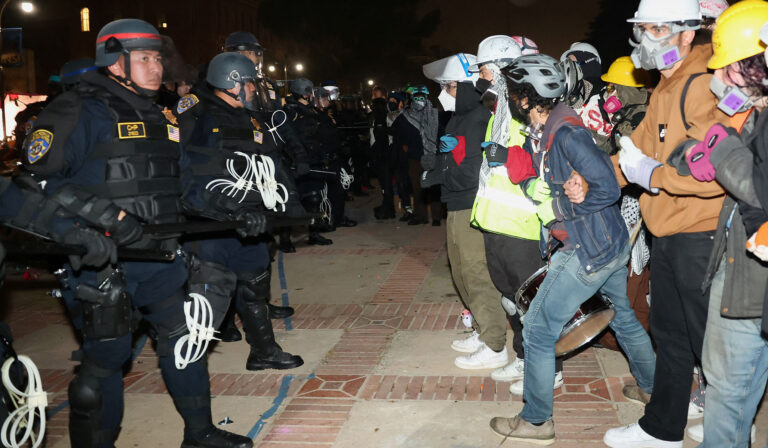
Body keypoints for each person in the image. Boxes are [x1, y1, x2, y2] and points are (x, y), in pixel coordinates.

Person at [20, 19, 255, 447]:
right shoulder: (78, 109)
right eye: (144, 58)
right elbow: (35, 184)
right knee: (105, 362)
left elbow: (183, 184)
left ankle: (199, 433)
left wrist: (233, 210)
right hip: (100, 265)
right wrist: (105, 221)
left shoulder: (160, 113)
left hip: (157, 259)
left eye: (158, 58)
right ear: (115, 61)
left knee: (185, 341)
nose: (156, 68)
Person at [488, 54, 656, 445]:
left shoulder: (567, 133)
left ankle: (536, 421)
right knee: (622, 316)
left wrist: (564, 205)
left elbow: (608, 188)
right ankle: (651, 388)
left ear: (527, 97)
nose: (511, 100)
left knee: (538, 329)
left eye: (514, 93)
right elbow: (550, 174)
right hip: (607, 243)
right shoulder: (549, 130)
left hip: (588, 249)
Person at [596, 1, 730, 446]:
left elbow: (715, 170)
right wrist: (592, 182)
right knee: (669, 332)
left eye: (655, 28)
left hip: (702, 231)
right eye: (643, 29)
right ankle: (663, 427)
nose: (644, 39)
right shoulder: (665, 86)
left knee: (715, 342)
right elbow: (634, 150)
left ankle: (730, 425)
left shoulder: (705, 83)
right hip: (669, 230)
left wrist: (652, 176)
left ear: (687, 33)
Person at [668, 3, 768, 445]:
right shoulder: (754, 112)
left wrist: (723, 149)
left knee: (727, 389)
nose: (719, 80)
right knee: (733, 384)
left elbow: (757, 186)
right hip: (742, 265)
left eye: (728, 70)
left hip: (752, 278)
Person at [174, 52, 303, 371]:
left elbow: (272, 165)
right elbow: (182, 171)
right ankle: (184, 366)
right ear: (232, 83)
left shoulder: (251, 119)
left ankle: (263, 351)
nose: (253, 90)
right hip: (212, 224)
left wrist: (294, 206)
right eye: (249, 84)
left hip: (251, 220)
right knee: (206, 307)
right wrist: (223, 209)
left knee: (254, 288)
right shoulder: (197, 113)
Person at [464, 34, 562, 390]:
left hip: (523, 224)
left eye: (487, 71)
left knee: (534, 303)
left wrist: (509, 158)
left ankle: (550, 369)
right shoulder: (500, 110)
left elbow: (542, 161)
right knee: (512, 300)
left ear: (503, 69)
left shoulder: (525, 108)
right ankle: (525, 359)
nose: (483, 78)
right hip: (497, 222)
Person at [422, 53, 509, 370]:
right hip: (456, 202)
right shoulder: (459, 117)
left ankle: (495, 344)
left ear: (471, 87)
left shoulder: (479, 117)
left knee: (476, 274)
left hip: (472, 202)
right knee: (459, 271)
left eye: (451, 86)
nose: (444, 92)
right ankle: (482, 331)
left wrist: (455, 159)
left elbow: (477, 169)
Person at [284, 78, 335, 245]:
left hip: (313, 160)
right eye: (311, 92)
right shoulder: (290, 112)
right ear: (305, 93)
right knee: (291, 200)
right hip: (296, 162)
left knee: (314, 199)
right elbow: (288, 138)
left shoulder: (311, 111)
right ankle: (286, 239)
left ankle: (313, 233)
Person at [391, 85, 441, 225]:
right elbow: (396, 131)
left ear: (426, 98)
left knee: (434, 187)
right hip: (415, 157)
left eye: (422, 98)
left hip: (433, 156)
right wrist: (405, 146)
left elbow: (442, 132)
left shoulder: (434, 114)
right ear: (412, 99)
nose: (419, 100)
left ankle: (437, 217)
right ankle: (421, 217)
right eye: (417, 98)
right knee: (418, 188)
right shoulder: (406, 116)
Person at [371, 85, 397, 219]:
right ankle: (388, 208)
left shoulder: (380, 109)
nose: (372, 98)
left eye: (374, 95)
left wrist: (377, 151)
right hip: (383, 151)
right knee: (385, 183)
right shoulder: (382, 111)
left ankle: (388, 209)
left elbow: (382, 133)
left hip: (383, 152)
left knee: (386, 182)